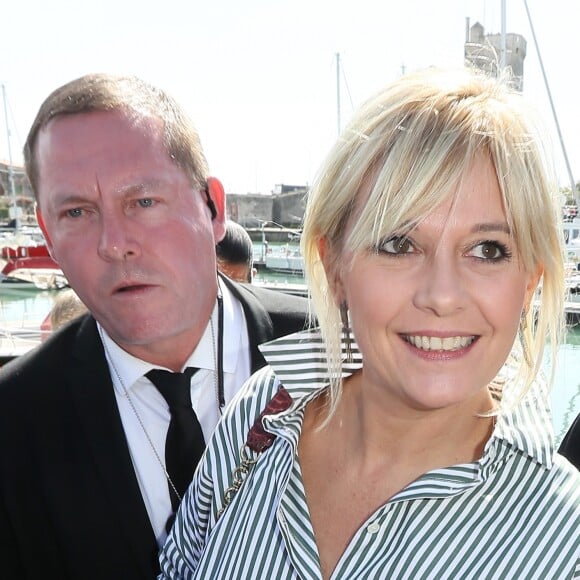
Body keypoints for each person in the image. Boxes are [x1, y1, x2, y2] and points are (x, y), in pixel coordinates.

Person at [161, 67, 580, 579]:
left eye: (487, 250)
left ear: (530, 281)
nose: (442, 296)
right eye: (398, 244)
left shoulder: (562, 541)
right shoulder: (264, 409)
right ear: (333, 265)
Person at [0, 73, 310, 580]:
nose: (114, 243)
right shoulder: (12, 425)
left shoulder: (336, 357)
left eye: (143, 202)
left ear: (213, 209)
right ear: (50, 238)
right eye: (77, 211)